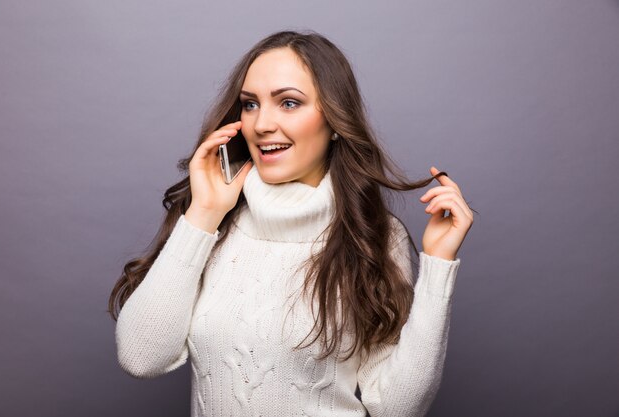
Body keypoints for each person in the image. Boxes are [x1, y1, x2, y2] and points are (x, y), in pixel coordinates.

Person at [109, 29, 474, 417]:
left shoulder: (373, 235)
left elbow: (397, 406)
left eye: (288, 102)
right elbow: (141, 356)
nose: (262, 123)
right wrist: (203, 214)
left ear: (335, 120)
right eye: (250, 105)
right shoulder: (216, 223)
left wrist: (437, 267)